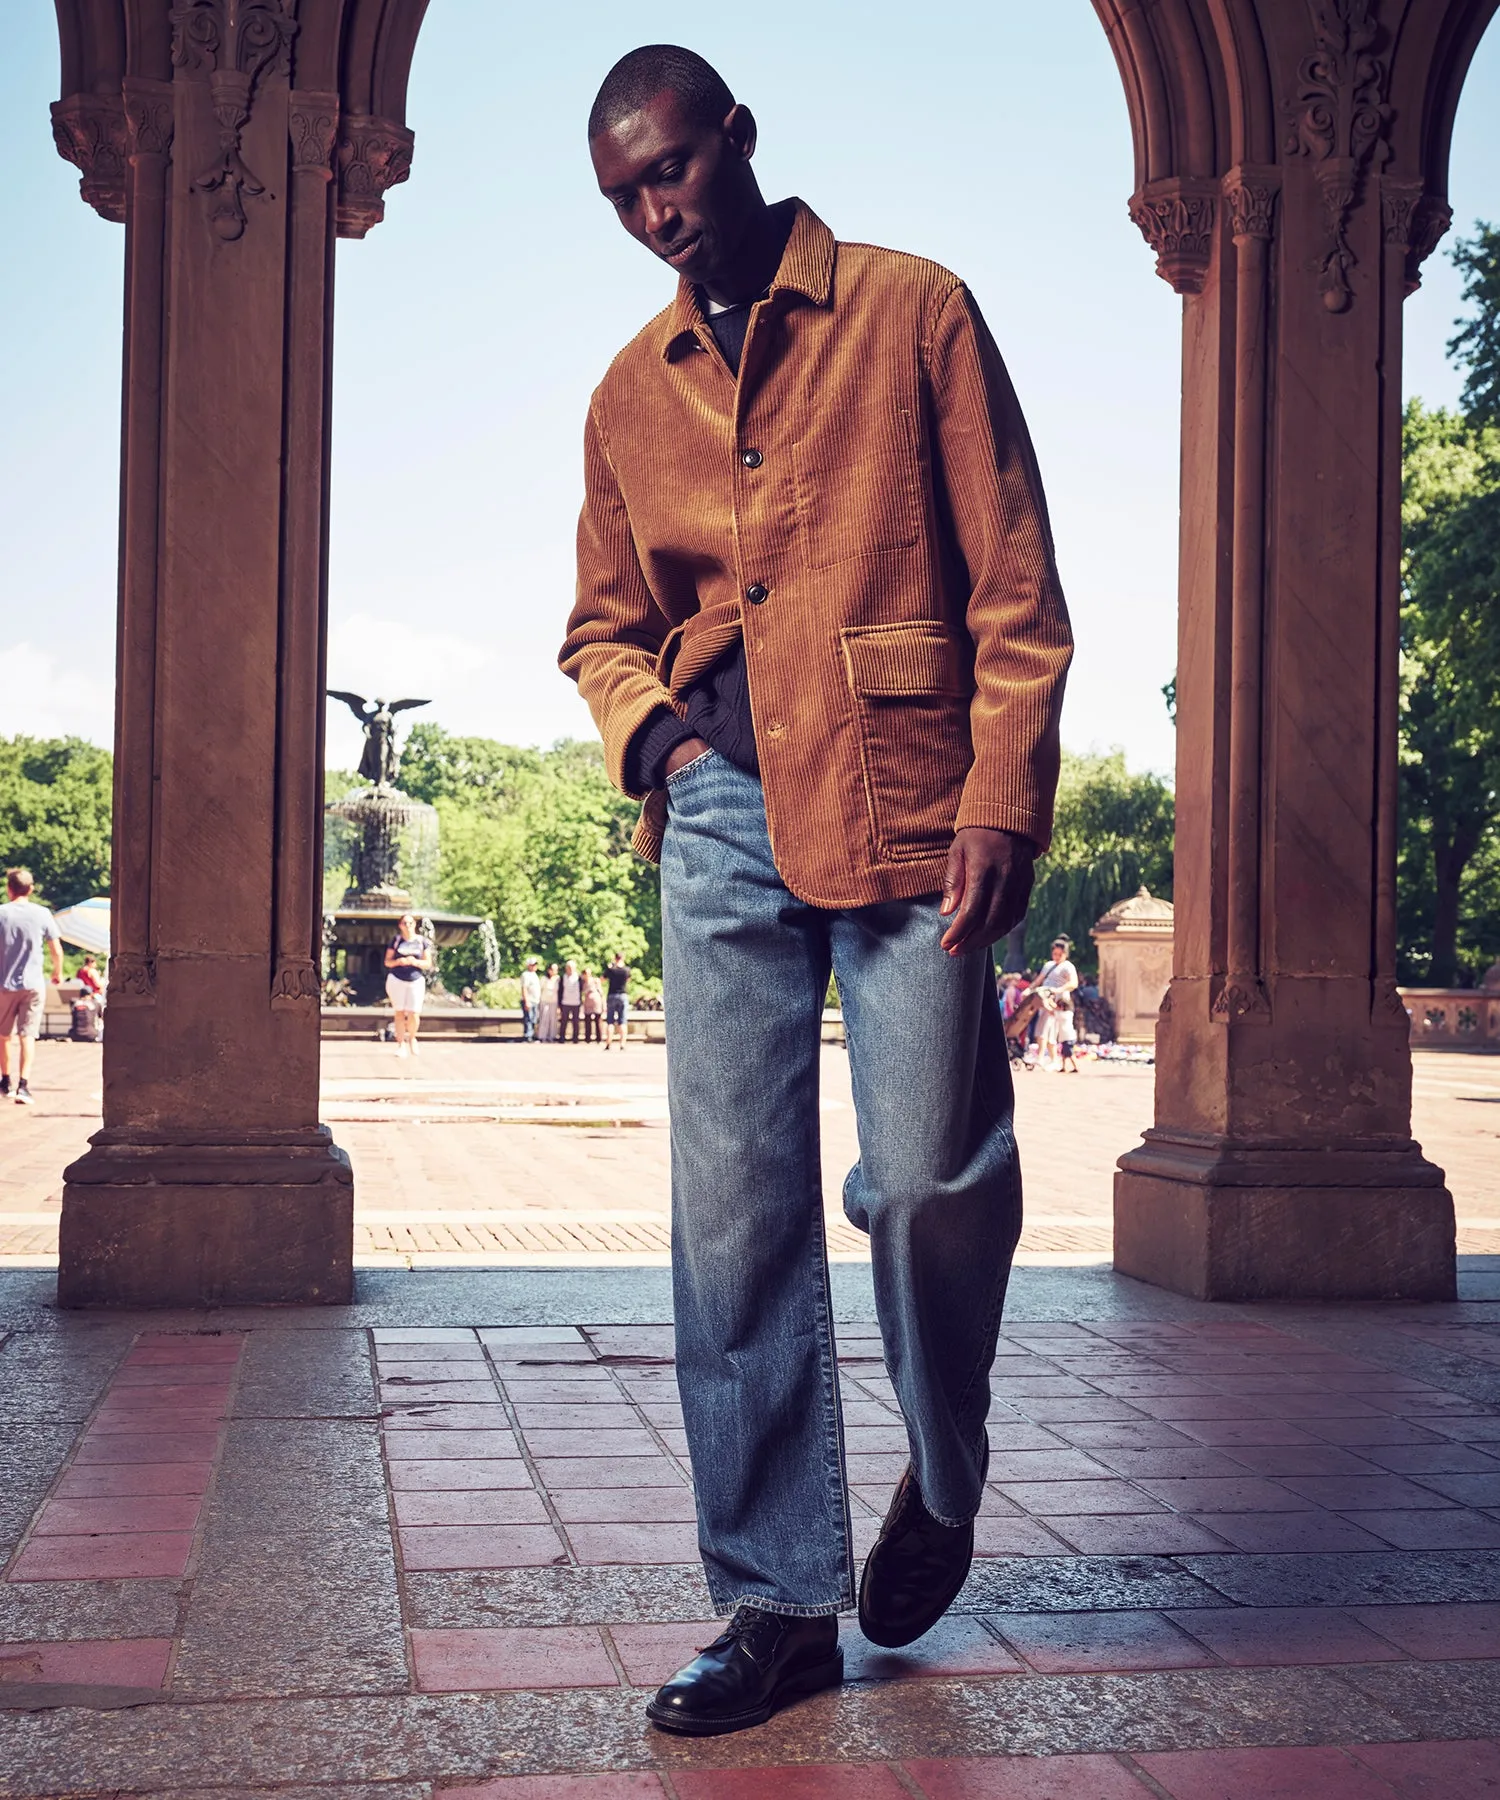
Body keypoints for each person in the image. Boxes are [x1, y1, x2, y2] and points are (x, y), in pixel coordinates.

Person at [560, 47, 1071, 1737]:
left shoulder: (916, 310)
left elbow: (1013, 580)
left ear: (736, 138)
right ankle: (775, 1599)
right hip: (714, 822)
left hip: (912, 800)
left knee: (929, 1176)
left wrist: (1005, 787)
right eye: (625, 193)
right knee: (737, 1219)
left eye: (672, 169)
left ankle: (944, 1462)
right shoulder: (631, 394)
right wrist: (656, 747)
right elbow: (601, 625)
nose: (656, 210)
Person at [0, 868, 64, 1106]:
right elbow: (56, 950)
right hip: (34, 984)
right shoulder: (42, 913)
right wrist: (57, 973)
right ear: (31, 889)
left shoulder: (1, 913)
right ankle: (23, 1086)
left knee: (3, 1036)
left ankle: (5, 1081)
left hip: (3, 984)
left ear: (9, 888)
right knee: (28, 1036)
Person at [383, 913, 434, 1058]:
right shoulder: (396, 940)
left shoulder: (422, 942)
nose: (408, 926)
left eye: (410, 923)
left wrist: (415, 962)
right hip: (397, 979)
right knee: (399, 1012)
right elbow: (387, 962)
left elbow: (428, 963)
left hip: (415, 980)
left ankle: (412, 1038)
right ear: (400, 925)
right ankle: (401, 1044)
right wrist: (399, 962)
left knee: (414, 1012)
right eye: (405, 923)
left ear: (415, 925)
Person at [1028, 938, 1079, 1072]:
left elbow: (1074, 983)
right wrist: (1029, 990)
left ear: (1065, 954)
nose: (1056, 957)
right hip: (1044, 1001)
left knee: (1052, 1032)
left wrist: (1059, 990)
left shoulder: (1068, 966)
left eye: (1059, 954)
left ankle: (1051, 1059)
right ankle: (1046, 1058)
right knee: (1042, 1030)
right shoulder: (1048, 965)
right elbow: (1039, 980)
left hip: (1059, 1004)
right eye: (1054, 954)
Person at [604, 951, 632, 1052]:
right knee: (622, 1021)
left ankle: (608, 1043)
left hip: (612, 995)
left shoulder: (611, 970)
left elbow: (602, 979)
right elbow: (629, 980)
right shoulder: (626, 970)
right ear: (623, 958)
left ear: (615, 958)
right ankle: (622, 1044)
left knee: (610, 1021)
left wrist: (610, 967)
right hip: (623, 995)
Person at [559, 959, 583, 1044]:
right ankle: (562, 1038)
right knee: (564, 1021)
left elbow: (581, 989)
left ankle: (575, 1039)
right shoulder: (563, 977)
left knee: (576, 1022)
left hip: (576, 1002)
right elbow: (560, 991)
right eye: (568, 967)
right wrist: (560, 1003)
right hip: (565, 1002)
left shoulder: (579, 977)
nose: (570, 969)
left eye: (572, 968)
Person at [520, 957, 542, 1043]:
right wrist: (526, 1001)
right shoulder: (526, 975)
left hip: (535, 1001)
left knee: (533, 1019)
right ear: (528, 965)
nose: (534, 966)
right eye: (532, 965)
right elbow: (524, 988)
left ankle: (531, 1035)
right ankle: (527, 1036)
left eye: (535, 964)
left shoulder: (534, 974)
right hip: (529, 1000)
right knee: (528, 1019)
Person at [581, 966, 604, 1043]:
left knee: (598, 1020)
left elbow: (601, 992)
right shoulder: (583, 982)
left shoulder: (595, 980)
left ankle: (599, 1038)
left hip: (596, 1002)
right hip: (587, 1002)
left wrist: (603, 1003)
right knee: (587, 1020)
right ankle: (588, 1039)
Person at [538, 963, 560, 1043]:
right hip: (545, 1001)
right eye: (554, 969)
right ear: (549, 970)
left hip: (554, 1002)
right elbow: (540, 990)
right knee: (544, 1019)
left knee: (553, 1020)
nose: (556, 971)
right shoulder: (544, 979)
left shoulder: (558, 979)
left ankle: (552, 1036)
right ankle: (542, 1036)